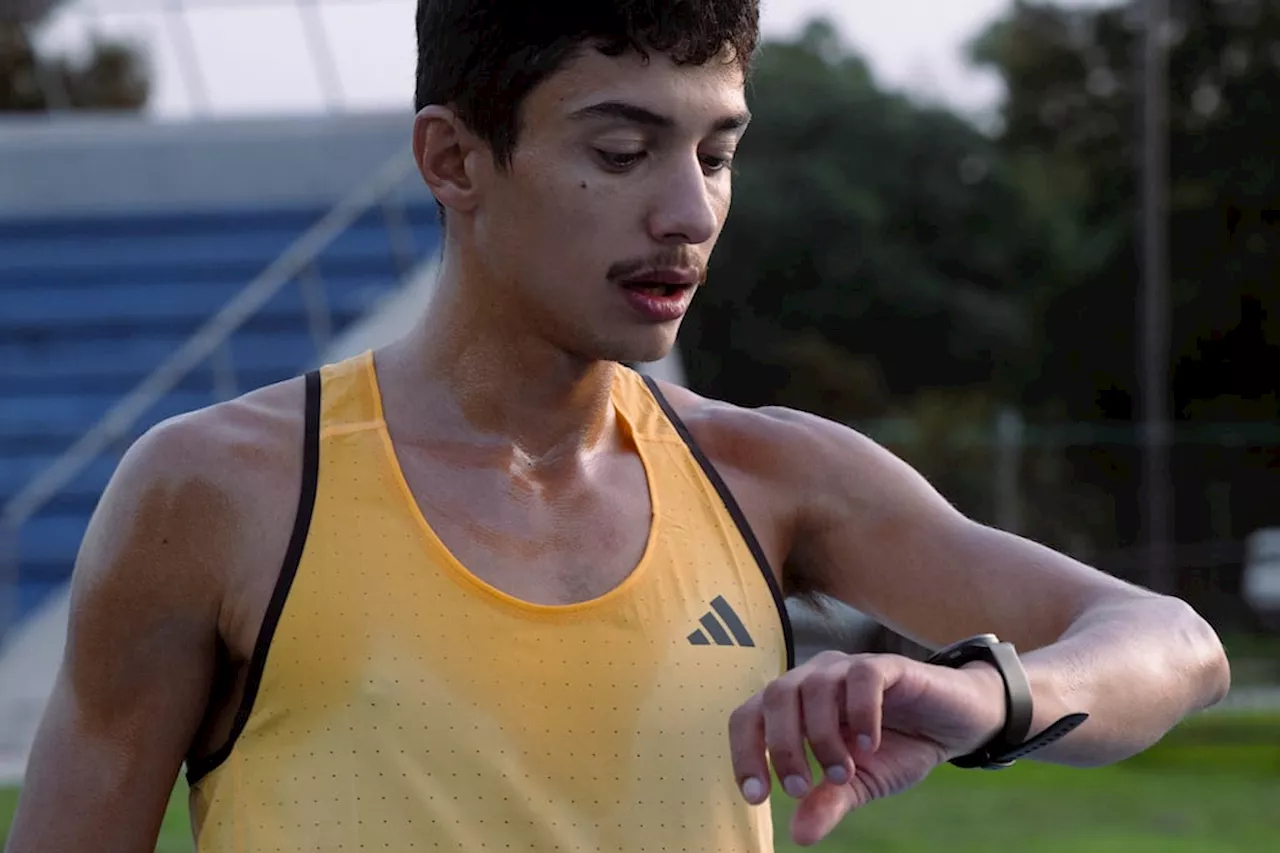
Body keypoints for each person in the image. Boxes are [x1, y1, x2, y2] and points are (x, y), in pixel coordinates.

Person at [7, 2, 1231, 851]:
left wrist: (987, 694)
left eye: (716, 151)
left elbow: (1170, 644)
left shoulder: (765, 474)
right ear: (452, 157)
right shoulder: (220, 491)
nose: (687, 211)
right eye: (621, 149)